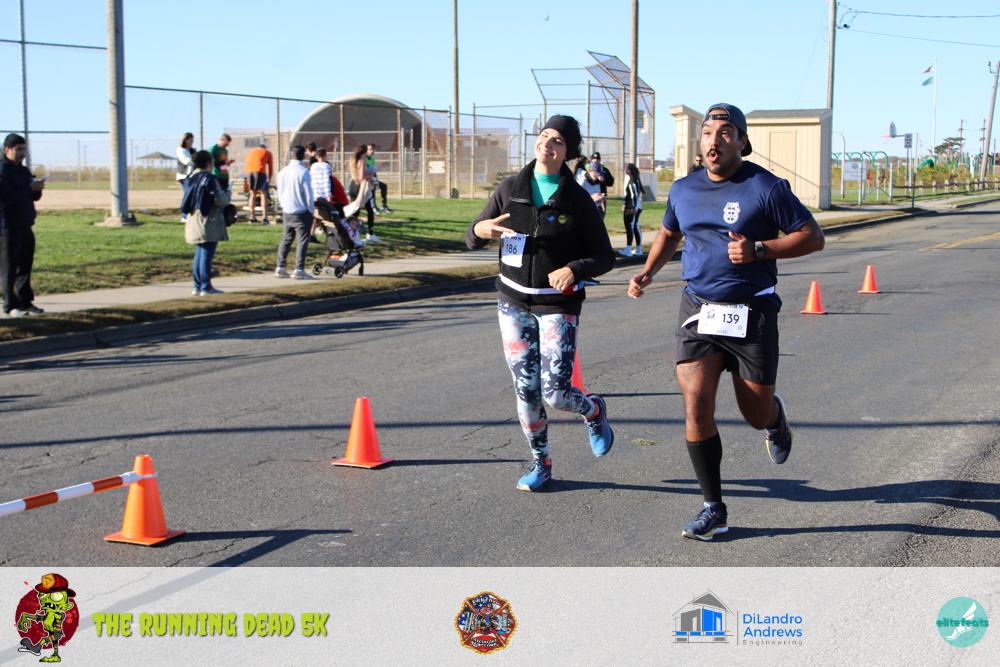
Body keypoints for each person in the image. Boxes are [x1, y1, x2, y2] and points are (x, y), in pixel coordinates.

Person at [628, 103, 825, 541]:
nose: (713, 140)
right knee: (696, 404)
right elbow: (670, 233)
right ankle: (713, 507)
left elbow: (813, 237)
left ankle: (774, 419)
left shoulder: (766, 187)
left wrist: (760, 250)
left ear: (742, 141)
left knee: (754, 414)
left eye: (724, 133)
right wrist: (648, 271)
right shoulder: (683, 189)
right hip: (699, 309)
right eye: (707, 133)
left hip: (752, 311)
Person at [466, 114, 616, 492]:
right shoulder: (510, 188)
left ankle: (593, 410)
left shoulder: (577, 200)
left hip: (557, 305)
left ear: (569, 153)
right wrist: (478, 230)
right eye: (544, 136)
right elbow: (474, 235)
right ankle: (541, 462)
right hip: (512, 301)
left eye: (557, 141)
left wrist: (575, 269)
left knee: (557, 393)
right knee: (526, 388)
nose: (547, 144)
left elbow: (604, 256)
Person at [0, 133, 45, 317]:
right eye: (18, 149)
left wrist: (37, 189)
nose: (22, 153)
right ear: (7, 150)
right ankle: (10, 305)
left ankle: (25, 302)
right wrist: (28, 188)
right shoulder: (2, 171)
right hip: (9, 226)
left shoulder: (23, 171)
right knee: (9, 267)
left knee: (25, 266)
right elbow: (7, 197)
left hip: (26, 224)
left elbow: (30, 196)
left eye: (24, 149)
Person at [182, 150, 231, 296]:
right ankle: (206, 287)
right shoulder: (209, 178)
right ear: (208, 163)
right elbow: (220, 200)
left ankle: (197, 286)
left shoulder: (191, 177)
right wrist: (228, 194)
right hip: (207, 219)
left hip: (193, 217)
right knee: (206, 254)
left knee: (199, 253)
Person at [274, 145, 315, 280]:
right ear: (303, 156)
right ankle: (299, 268)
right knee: (302, 241)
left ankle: (280, 266)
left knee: (286, 239)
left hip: (287, 210)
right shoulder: (304, 172)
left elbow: (279, 192)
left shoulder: (283, 172)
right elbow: (308, 194)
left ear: (292, 156)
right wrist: (311, 209)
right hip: (301, 211)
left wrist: (283, 206)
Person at [344, 145, 380, 242]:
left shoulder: (354, 160)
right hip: (361, 187)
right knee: (369, 210)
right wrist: (371, 175)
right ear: (365, 151)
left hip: (353, 185)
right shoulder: (362, 161)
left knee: (355, 212)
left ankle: (351, 233)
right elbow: (362, 176)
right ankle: (371, 233)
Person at [245, 142, 274, 224]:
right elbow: (270, 167)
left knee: (252, 194)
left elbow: (247, 165)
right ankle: (265, 218)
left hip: (250, 173)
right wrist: (269, 179)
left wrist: (247, 176)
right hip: (260, 172)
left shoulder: (251, 152)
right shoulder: (267, 152)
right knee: (263, 193)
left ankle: (252, 217)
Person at [620, 163, 645, 257]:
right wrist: (625, 204)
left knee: (630, 227)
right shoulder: (635, 179)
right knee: (635, 227)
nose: (625, 170)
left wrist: (633, 207)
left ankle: (629, 249)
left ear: (629, 170)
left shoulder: (632, 180)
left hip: (632, 207)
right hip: (632, 206)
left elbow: (634, 195)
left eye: (626, 168)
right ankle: (638, 249)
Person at [365, 144, 393, 214]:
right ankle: (374, 207)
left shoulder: (372, 159)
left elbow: (373, 171)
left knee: (384, 186)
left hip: (372, 179)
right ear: (366, 150)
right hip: (366, 180)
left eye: (373, 149)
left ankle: (384, 206)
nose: (372, 151)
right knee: (373, 188)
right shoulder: (364, 159)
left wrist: (376, 180)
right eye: (370, 149)